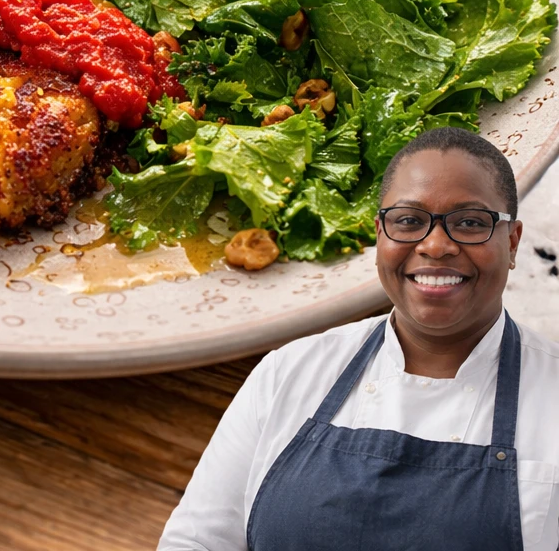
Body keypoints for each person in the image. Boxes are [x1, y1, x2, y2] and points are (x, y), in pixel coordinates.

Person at [158, 126, 559, 551]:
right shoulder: (288, 373)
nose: (436, 245)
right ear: (380, 235)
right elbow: (196, 542)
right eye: (408, 221)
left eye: (470, 222)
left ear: (512, 243)